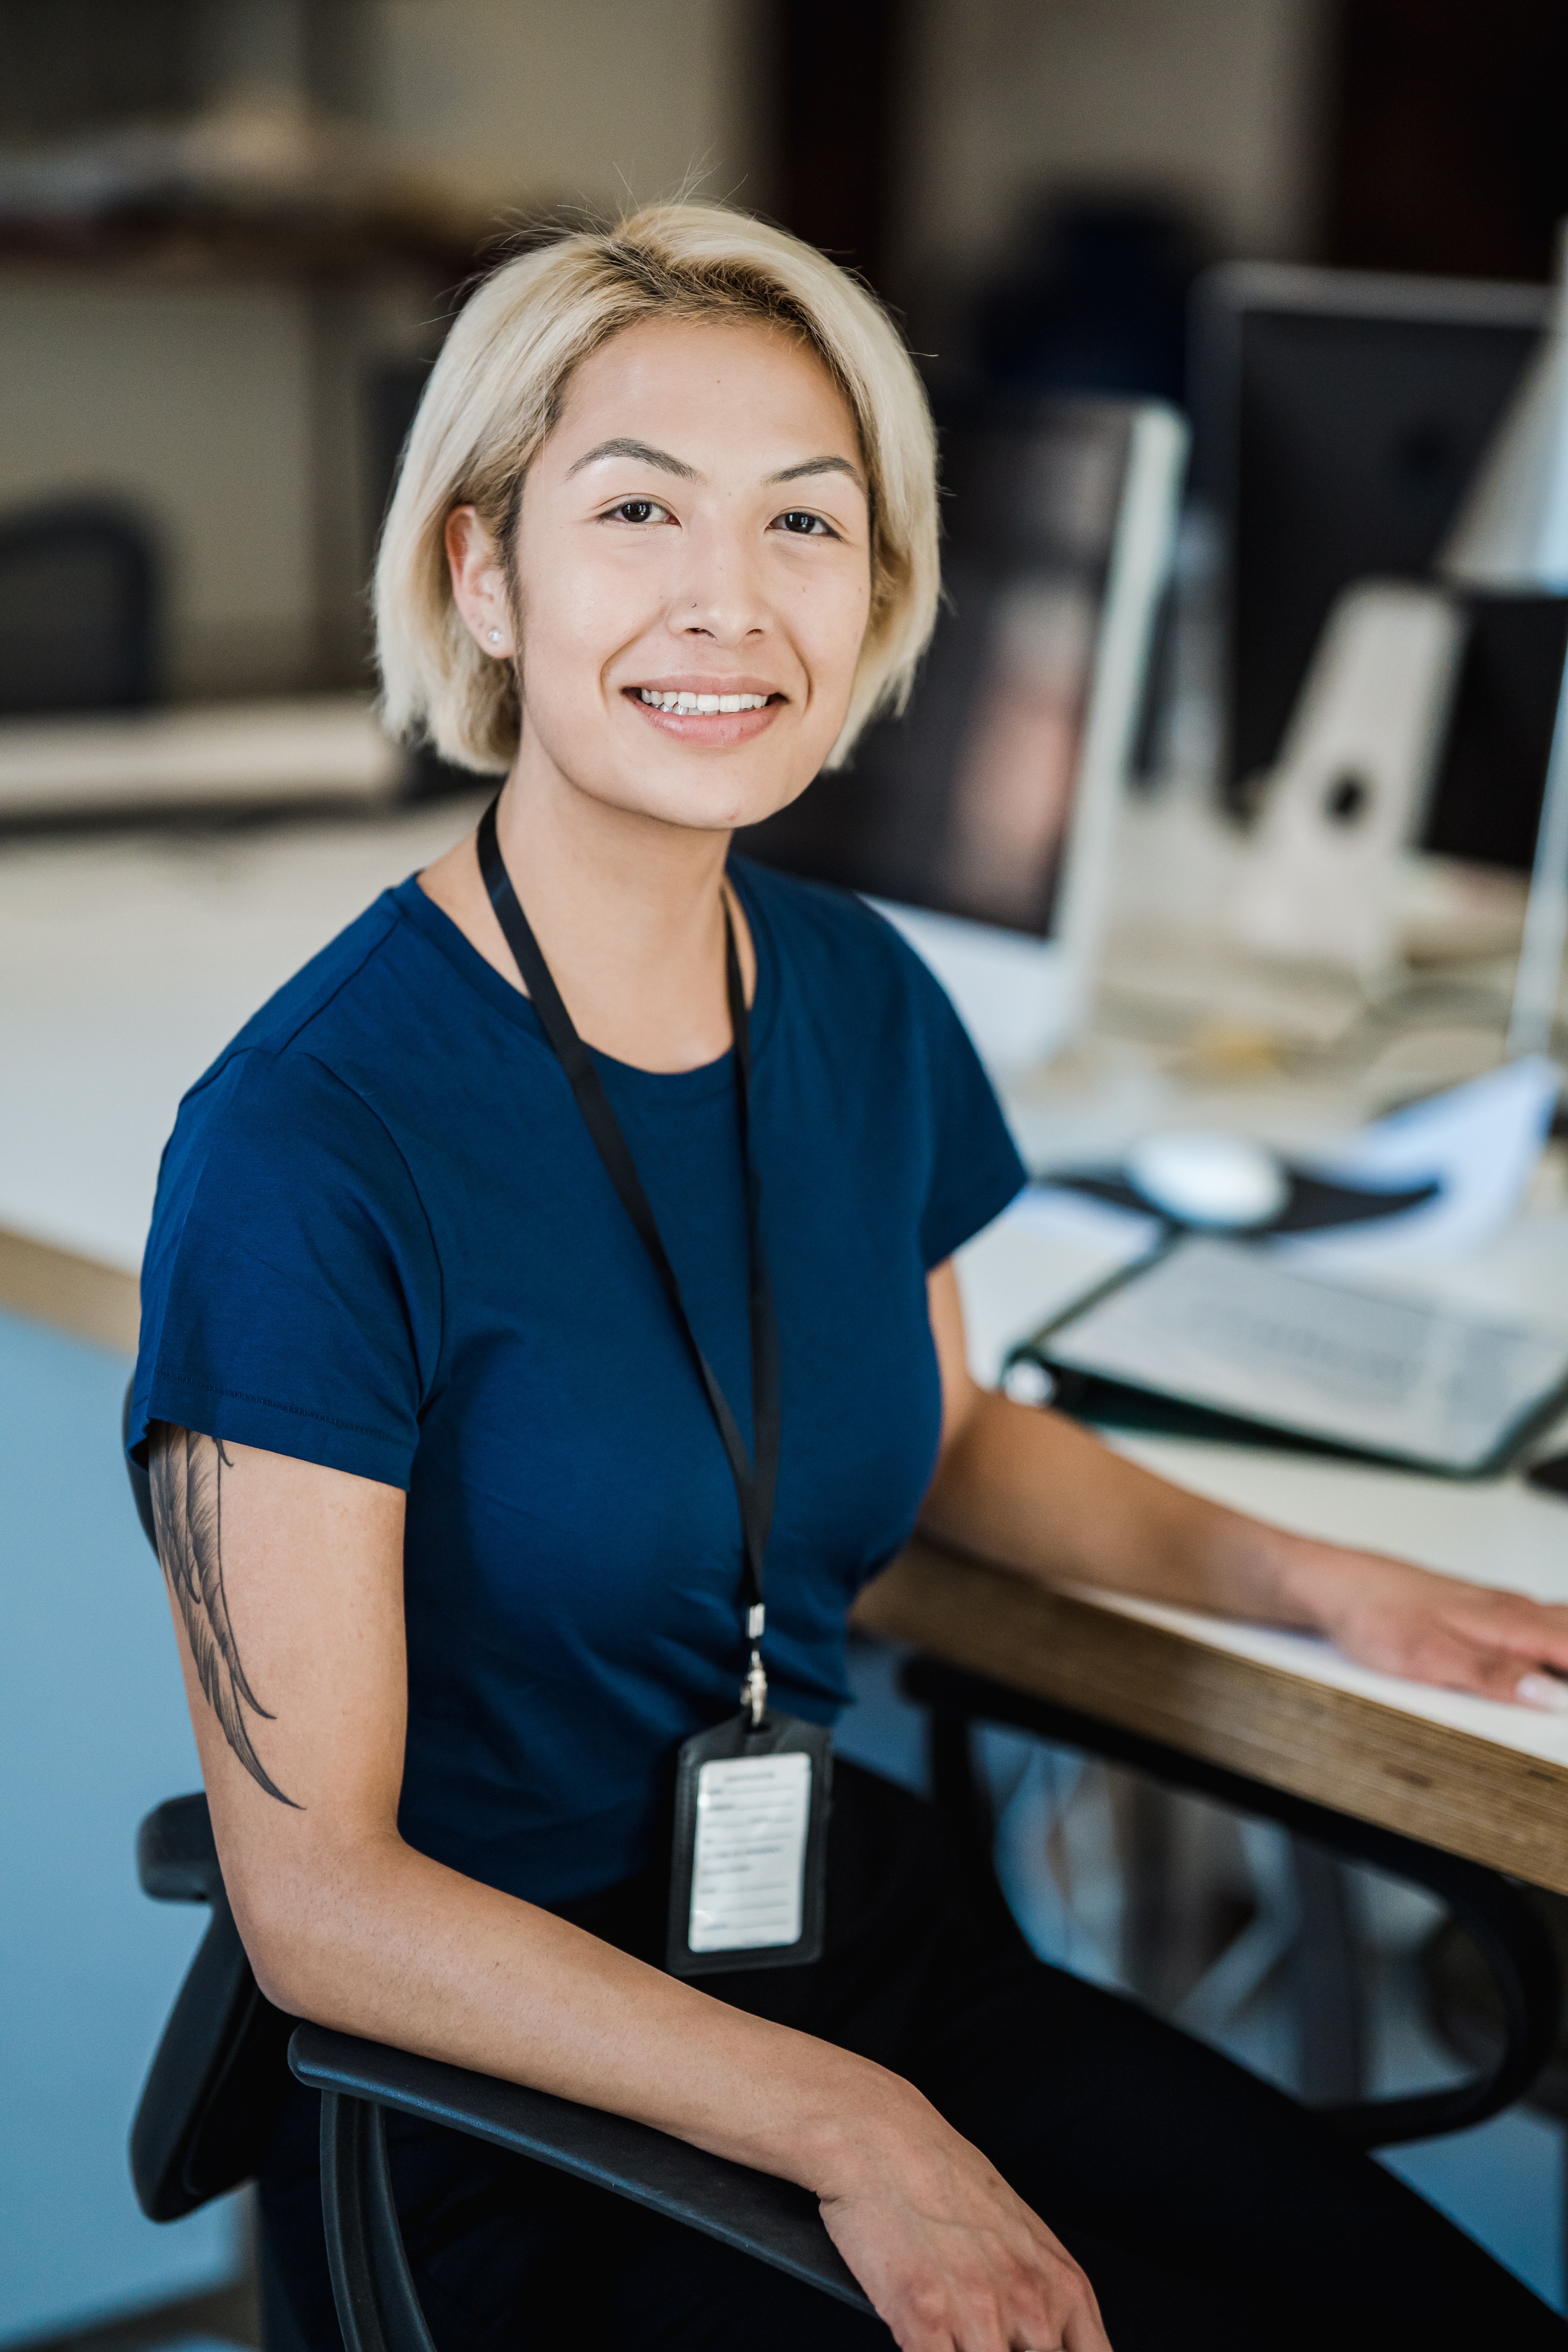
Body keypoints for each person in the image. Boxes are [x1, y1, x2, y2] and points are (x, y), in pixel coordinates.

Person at [129, 202, 1568, 2352]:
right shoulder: (312, 1142)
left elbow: (951, 1437)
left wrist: (1326, 1589)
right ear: (484, 575)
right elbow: (319, 1895)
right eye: (636, 511)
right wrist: (856, 2136)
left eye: (810, 523)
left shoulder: (860, 996)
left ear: (884, 596)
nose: (732, 600)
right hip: (519, 2091)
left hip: (858, 1956)